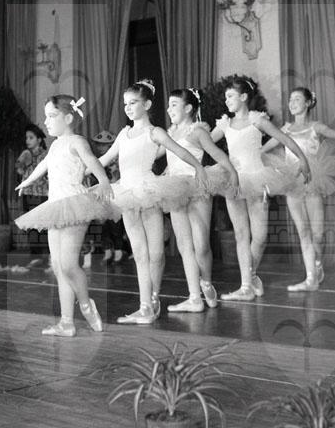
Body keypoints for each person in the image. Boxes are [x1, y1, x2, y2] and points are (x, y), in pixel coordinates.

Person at [96, 79, 209, 325]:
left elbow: (179, 151)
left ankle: (153, 300)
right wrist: (83, 170)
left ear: (146, 105)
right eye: (125, 103)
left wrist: (199, 167)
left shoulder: (155, 132)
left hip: (149, 192)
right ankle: (145, 306)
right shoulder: (123, 134)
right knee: (139, 253)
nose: (127, 107)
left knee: (156, 254)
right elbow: (105, 158)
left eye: (133, 102)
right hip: (126, 194)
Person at [14, 95, 114, 337]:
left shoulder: (77, 141)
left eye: (52, 116)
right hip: (55, 206)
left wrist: (103, 181)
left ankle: (86, 305)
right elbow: (43, 166)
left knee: (69, 265)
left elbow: (92, 160)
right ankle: (66, 322)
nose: (46, 121)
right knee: (59, 267)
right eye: (46, 116)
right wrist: (27, 181)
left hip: (75, 204)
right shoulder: (55, 145)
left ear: (68, 118)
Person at [263, 87, 335, 291]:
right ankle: (310, 279)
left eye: (297, 99)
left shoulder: (315, 127)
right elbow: (264, 149)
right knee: (303, 231)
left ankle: (317, 265)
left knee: (317, 234)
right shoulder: (285, 129)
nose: (292, 103)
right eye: (291, 99)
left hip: (312, 181)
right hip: (292, 182)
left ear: (308, 103)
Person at [210, 76, 311, 301]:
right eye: (226, 97)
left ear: (244, 97)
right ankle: (246, 285)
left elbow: (285, 139)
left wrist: (303, 159)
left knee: (261, 236)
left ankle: (252, 275)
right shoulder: (225, 124)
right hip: (234, 180)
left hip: (258, 179)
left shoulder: (257, 120)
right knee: (240, 234)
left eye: (230, 96)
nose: (226, 101)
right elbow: (205, 142)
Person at [161, 88, 239, 313]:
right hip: (175, 188)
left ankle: (206, 281)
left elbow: (216, 153)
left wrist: (232, 173)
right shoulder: (169, 133)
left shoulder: (197, 131)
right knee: (184, 245)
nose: (169, 109)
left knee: (201, 244)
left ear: (188, 108)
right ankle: (194, 296)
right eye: (169, 105)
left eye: (174, 105)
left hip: (197, 186)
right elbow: (165, 157)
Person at [84, 130, 128, 268]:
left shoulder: (118, 160)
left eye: (105, 145)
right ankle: (108, 251)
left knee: (115, 225)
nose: (101, 147)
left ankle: (119, 252)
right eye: (99, 144)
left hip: (115, 194)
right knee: (103, 226)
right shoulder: (96, 160)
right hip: (101, 196)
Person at [15, 123, 49, 212]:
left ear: (39, 140)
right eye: (26, 138)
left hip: (43, 193)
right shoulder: (26, 153)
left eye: (31, 138)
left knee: (41, 218)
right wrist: (22, 166)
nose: (27, 140)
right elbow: (19, 170)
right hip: (27, 193)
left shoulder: (46, 155)